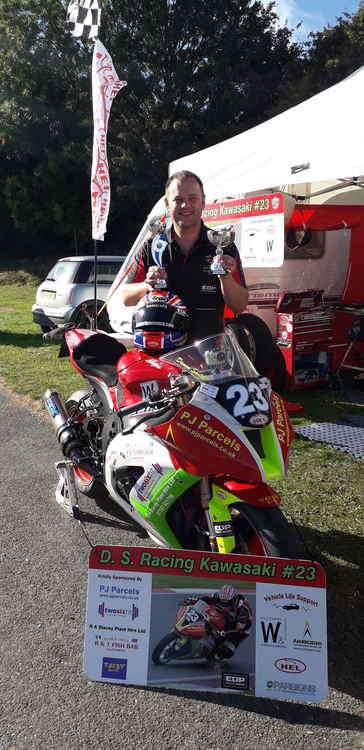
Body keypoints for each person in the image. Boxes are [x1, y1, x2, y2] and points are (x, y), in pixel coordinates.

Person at [120, 170, 248, 342]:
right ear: (167, 203)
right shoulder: (152, 246)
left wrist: (225, 277)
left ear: (203, 202)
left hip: (207, 353)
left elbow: (239, 305)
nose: (185, 205)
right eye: (178, 200)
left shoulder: (222, 245)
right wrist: (147, 284)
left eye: (192, 199)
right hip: (160, 352)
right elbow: (125, 298)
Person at [186, 585, 253, 660]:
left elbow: (239, 629)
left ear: (233, 598)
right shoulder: (218, 595)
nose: (224, 604)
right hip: (223, 616)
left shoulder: (242, 609)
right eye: (222, 601)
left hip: (239, 628)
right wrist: (193, 600)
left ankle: (215, 660)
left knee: (226, 650)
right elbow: (205, 599)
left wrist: (225, 632)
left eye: (226, 602)